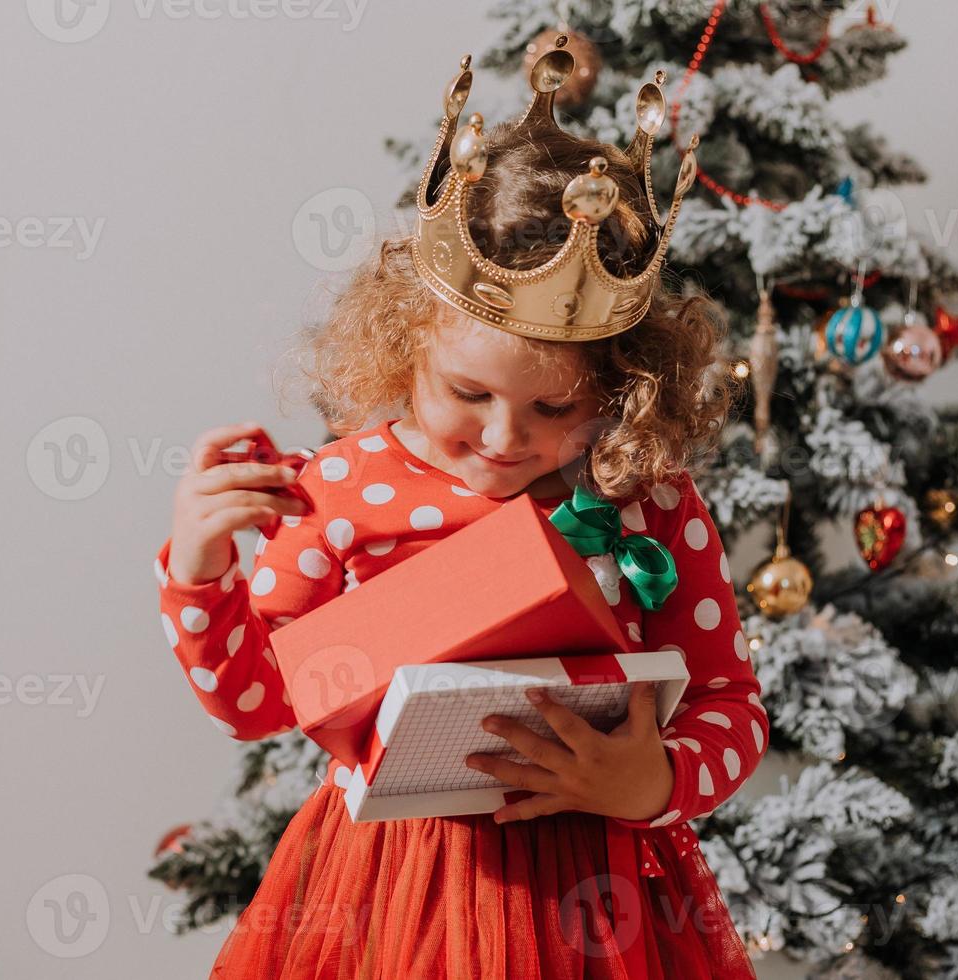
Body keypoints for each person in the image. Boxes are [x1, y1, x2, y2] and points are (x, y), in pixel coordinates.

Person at [154, 39, 767, 979]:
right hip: (386, 895)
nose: (501, 437)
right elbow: (257, 702)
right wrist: (200, 570)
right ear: (404, 349)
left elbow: (730, 702)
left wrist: (655, 781)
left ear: (620, 390)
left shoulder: (650, 501)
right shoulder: (341, 491)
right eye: (466, 394)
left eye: (554, 407)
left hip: (599, 901)